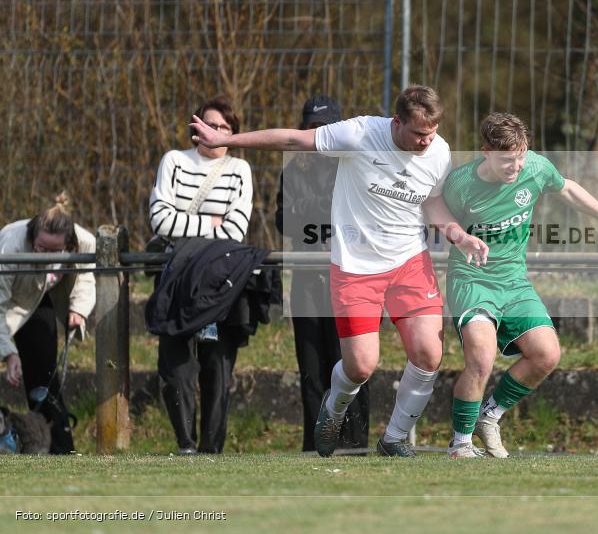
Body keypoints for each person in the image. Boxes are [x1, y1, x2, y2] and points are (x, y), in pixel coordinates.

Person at [191, 85, 489, 457]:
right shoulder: (361, 133)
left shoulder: (439, 151)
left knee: (429, 353)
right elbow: (293, 138)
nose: (427, 141)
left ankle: (394, 438)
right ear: (397, 122)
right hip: (356, 268)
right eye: (418, 133)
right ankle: (333, 410)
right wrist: (229, 138)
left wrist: (458, 235)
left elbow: (432, 203)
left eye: (432, 131)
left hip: (410, 262)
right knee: (361, 365)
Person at [441, 112, 598, 458]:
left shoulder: (535, 167)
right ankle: (460, 444)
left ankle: (491, 416)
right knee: (482, 359)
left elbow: (568, 190)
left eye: (520, 156)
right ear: (485, 151)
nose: (515, 166)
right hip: (473, 280)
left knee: (547, 354)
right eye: (506, 160)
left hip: (514, 281)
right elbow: (432, 207)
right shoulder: (461, 184)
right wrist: (458, 236)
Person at [149, 95, 254, 454]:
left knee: (218, 367)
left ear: (233, 133)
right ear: (196, 130)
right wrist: (209, 222)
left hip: (222, 280)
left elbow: (236, 231)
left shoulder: (240, 170)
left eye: (224, 127)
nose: (215, 132)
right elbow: (159, 220)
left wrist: (189, 231)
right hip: (177, 278)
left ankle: (212, 449)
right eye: (208, 125)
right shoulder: (174, 162)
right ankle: (185, 444)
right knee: (175, 366)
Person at [276, 94, 370, 451]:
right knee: (312, 369)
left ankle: (356, 443)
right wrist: (319, 206)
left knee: (352, 364)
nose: (317, 134)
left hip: (352, 278)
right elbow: (285, 222)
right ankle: (315, 445)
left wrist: (309, 209)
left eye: (325, 127)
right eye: (312, 127)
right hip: (307, 281)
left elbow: (358, 217)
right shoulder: (292, 171)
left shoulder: (354, 167)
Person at [0, 192, 96, 454]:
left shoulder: (85, 241)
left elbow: (87, 276)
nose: (48, 257)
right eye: (42, 249)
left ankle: (60, 450)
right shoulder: (11, 243)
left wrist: (79, 308)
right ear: (33, 235)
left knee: (44, 383)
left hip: (40, 302)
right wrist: (9, 353)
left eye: (57, 251)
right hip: (7, 304)